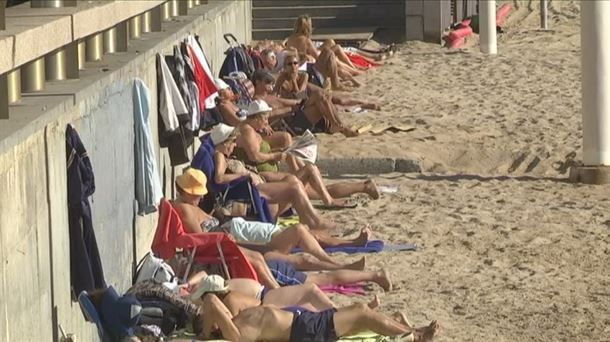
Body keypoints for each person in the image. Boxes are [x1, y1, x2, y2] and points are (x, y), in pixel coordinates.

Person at [212, 123, 374, 248]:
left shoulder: (226, 154)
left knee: (298, 182)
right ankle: (320, 222)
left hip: (258, 194)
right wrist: (244, 174)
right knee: (296, 189)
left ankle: (320, 219)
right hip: (254, 199)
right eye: (232, 142)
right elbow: (219, 178)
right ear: (224, 143)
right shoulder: (220, 155)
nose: (234, 146)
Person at [172, 168, 281, 289]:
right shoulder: (185, 210)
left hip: (219, 241)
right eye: (198, 194)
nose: (202, 197)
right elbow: (199, 239)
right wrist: (222, 238)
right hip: (216, 245)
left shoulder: (187, 205)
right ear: (188, 192)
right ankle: (276, 291)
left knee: (258, 256)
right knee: (256, 260)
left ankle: (277, 289)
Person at [199, 292, 439, 342]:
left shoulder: (237, 321)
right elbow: (210, 301)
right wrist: (203, 333)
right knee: (362, 312)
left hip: (305, 324)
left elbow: (215, 303)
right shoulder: (237, 334)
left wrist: (208, 325)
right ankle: (415, 337)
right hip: (305, 330)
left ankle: (411, 331)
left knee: (360, 309)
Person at [252, 69, 360, 137]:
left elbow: (295, 98)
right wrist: (291, 108)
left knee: (321, 94)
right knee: (319, 96)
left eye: (271, 82)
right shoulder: (257, 101)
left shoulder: (271, 95)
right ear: (257, 82)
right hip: (289, 125)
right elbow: (265, 116)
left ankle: (338, 125)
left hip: (295, 113)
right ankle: (338, 127)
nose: (270, 84)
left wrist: (299, 95)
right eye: (267, 82)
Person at [266, 259, 392, 291]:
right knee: (323, 278)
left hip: (271, 271)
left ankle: (375, 276)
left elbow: (256, 260)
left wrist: (276, 291)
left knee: (324, 279)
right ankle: (374, 275)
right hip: (268, 268)